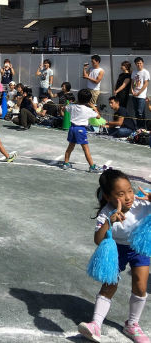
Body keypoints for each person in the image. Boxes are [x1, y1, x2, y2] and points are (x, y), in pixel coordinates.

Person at [78, 169, 151, 343]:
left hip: (138, 247)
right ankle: (95, 324)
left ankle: (132, 324)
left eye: (130, 191)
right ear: (108, 197)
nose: (128, 197)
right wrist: (110, 222)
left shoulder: (142, 204)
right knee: (109, 285)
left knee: (141, 286)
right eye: (120, 194)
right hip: (115, 249)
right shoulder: (106, 213)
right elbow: (98, 239)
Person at [62, 89, 103, 172]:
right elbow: (98, 116)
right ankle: (92, 166)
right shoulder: (87, 110)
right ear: (88, 100)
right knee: (86, 149)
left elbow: (64, 109)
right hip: (81, 129)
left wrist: (72, 103)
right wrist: (94, 107)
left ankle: (66, 163)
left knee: (70, 147)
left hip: (72, 128)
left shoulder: (72, 106)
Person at [131, 57, 150, 129]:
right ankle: (138, 127)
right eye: (137, 63)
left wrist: (139, 93)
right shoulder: (134, 72)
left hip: (141, 96)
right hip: (134, 95)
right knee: (136, 112)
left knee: (140, 112)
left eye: (140, 63)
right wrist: (132, 90)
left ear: (143, 63)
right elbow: (132, 82)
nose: (139, 64)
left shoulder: (145, 72)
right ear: (135, 64)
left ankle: (142, 127)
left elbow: (146, 84)